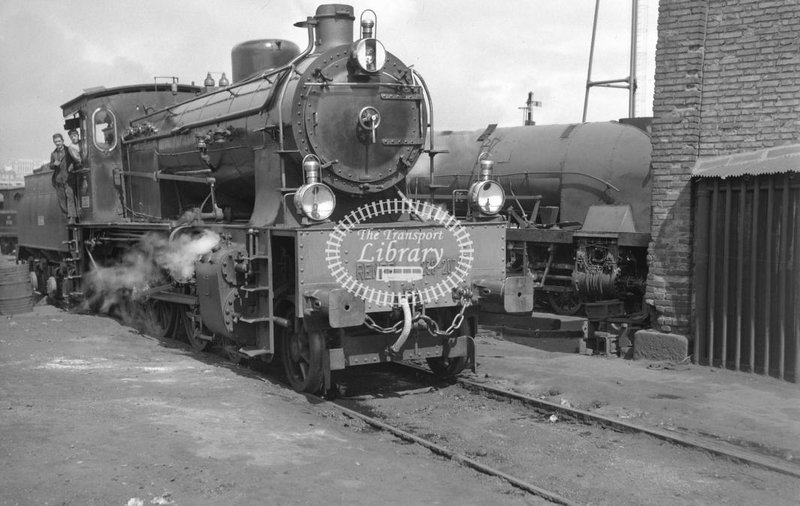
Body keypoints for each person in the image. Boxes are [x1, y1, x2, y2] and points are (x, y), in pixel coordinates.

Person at [49, 132, 80, 223]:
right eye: (56, 142)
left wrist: (73, 165)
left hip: (68, 178)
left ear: (62, 141)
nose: (57, 143)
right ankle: (67, 216)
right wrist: (53, 164)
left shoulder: (69, 150)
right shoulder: (53, 153)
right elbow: (50, 165)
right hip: (58, 180)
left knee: (70, 197)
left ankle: (72, 217)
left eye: (59, 141)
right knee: (61, 200)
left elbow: (76, 159)